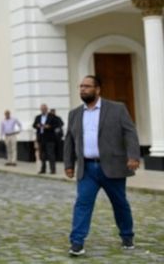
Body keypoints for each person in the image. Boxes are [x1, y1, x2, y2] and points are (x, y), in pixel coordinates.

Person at [64, 75, 140, 256]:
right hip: (87, 168)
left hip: (112, 167)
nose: (83, 89)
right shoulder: (74, 113)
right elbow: (69, 140)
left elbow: (129, 133)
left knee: (120, 204)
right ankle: (77, 242)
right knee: (82, 204)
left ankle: (127, 236)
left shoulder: (117, 109)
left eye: (87, 86)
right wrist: (69, 163)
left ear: (98, 89)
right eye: (81, 86)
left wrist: (133, 156)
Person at [33, 104, 60, 174]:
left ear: (47, 109)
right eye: (42, 109)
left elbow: (57, 124)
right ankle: (43, 169)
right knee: (42, 155)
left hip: (50, 138)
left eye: (44, 109)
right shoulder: (38, 117)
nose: (43, 110)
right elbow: (34, 125)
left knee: (51, 154)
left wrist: (49, 126)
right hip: (41, 138)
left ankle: (53, 169)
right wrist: (37, 125)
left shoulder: (52, 116)